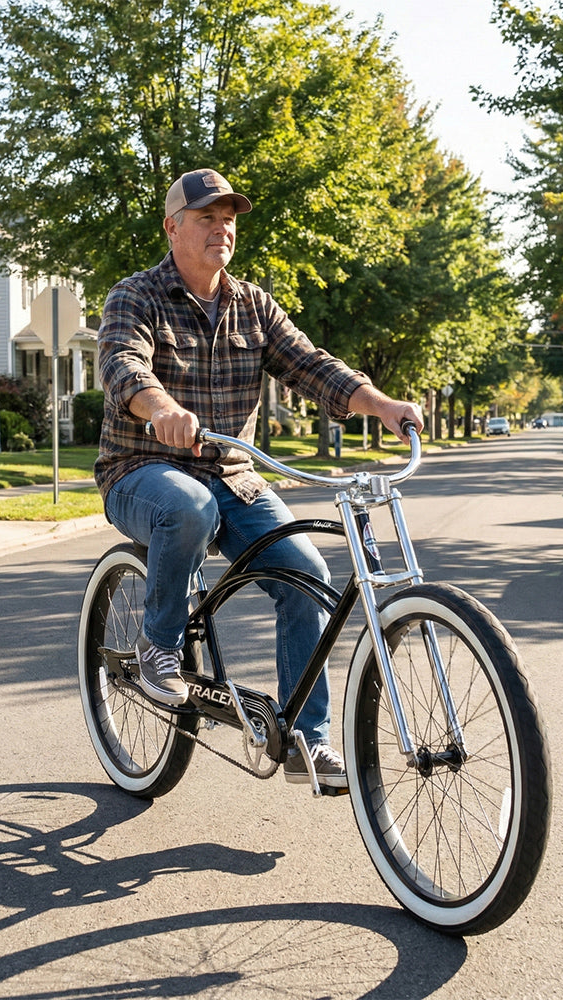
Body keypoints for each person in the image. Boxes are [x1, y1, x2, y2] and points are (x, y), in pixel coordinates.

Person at [95, 168, 424, 790]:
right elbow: (122, 364)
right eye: (206, 218)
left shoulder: (253, 306)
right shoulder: (134, 296)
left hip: (234, 476)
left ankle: (308, 739)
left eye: (229, 219)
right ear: (173, 227)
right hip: (142, 468)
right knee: (186, 505)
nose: (222, 228)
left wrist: (380, 404)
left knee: (309, 576)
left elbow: (311, 365)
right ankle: (157, 647)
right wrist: (161, 409)